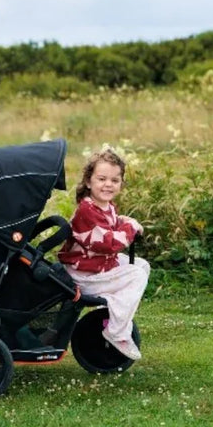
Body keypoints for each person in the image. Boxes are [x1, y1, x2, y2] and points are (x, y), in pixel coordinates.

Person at [57, 147, 148, 361]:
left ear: (121, 184)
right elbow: (108, 243)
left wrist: (126, 222)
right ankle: (116, 332)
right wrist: (131, 228)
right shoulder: (86, 211)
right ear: (89, 182)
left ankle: (113, 312)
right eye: (102, 179)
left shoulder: (105, 206)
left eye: (115, 180)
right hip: (84, 275)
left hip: (97, 266)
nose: (108, 184)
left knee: (142, 266)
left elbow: (113, 224)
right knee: (136, 275)